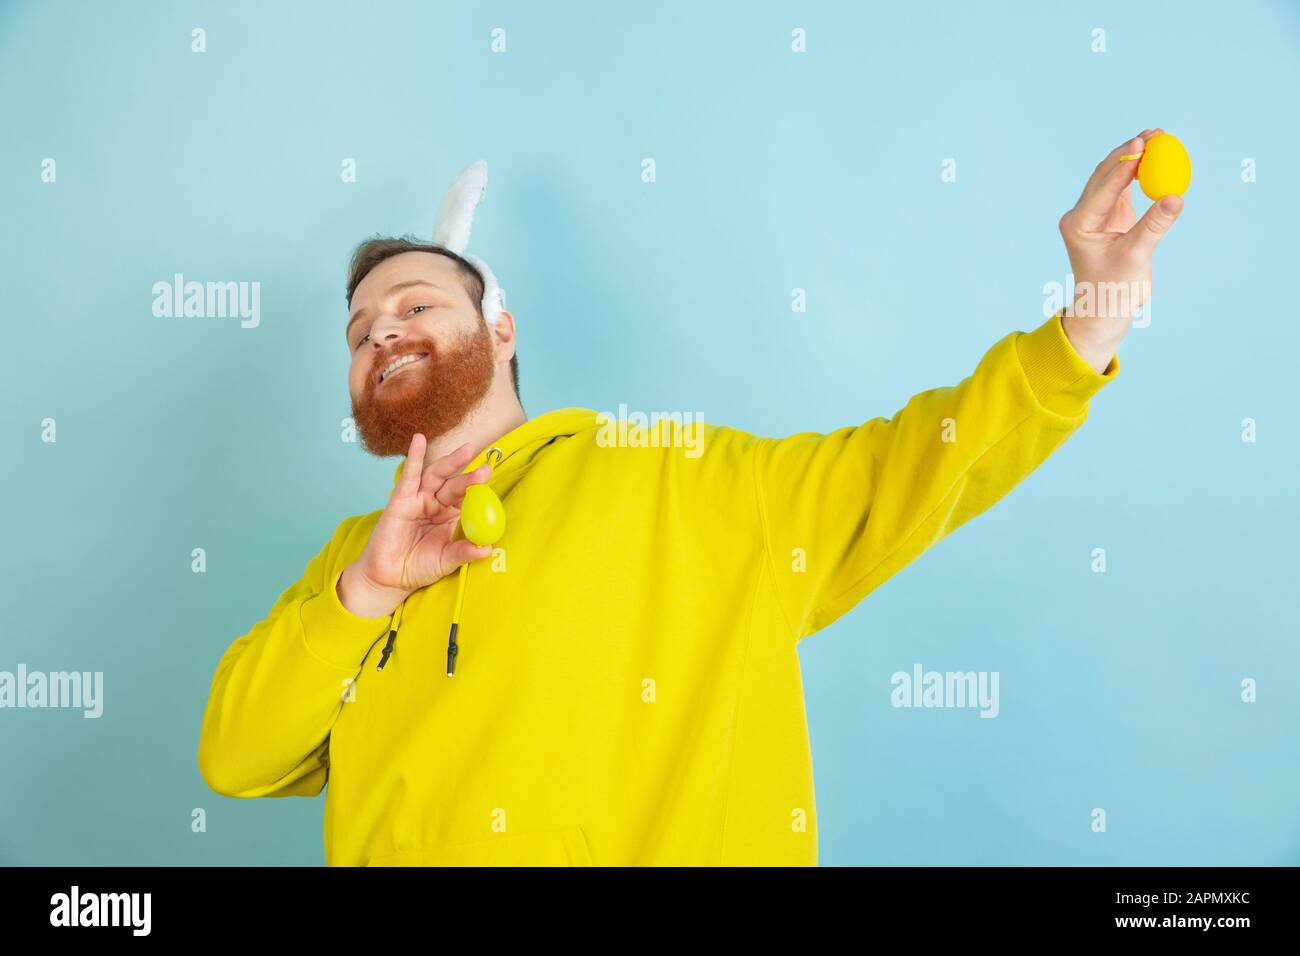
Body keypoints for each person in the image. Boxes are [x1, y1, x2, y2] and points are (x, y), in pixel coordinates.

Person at [198, 131, 1183, 866]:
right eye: (360, 328)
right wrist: (369, 586)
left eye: (417, 303)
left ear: (501, 329)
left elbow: (912, 466)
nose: (381, 331)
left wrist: (1087, 325)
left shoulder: (672, 476)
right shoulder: (347, 563)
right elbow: (236, 757)